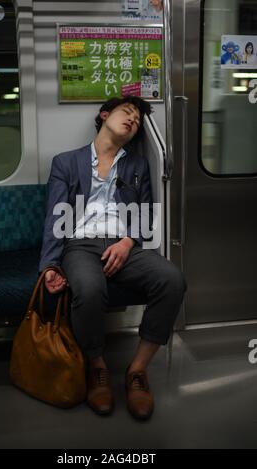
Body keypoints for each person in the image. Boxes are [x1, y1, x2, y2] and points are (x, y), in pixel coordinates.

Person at [39, 96, 186, 420]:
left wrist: (127, 241)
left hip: (124, 244)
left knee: (172, 279)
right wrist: (50, 265)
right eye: (127, 112)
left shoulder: (137, 165)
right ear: (104, 115)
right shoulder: (66, 162)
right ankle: (97, 367)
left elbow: (146, 215)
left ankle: (137, 372)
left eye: (137, 120)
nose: (133, 120)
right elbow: (55, 217)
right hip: (80, 244)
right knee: (89, 290)